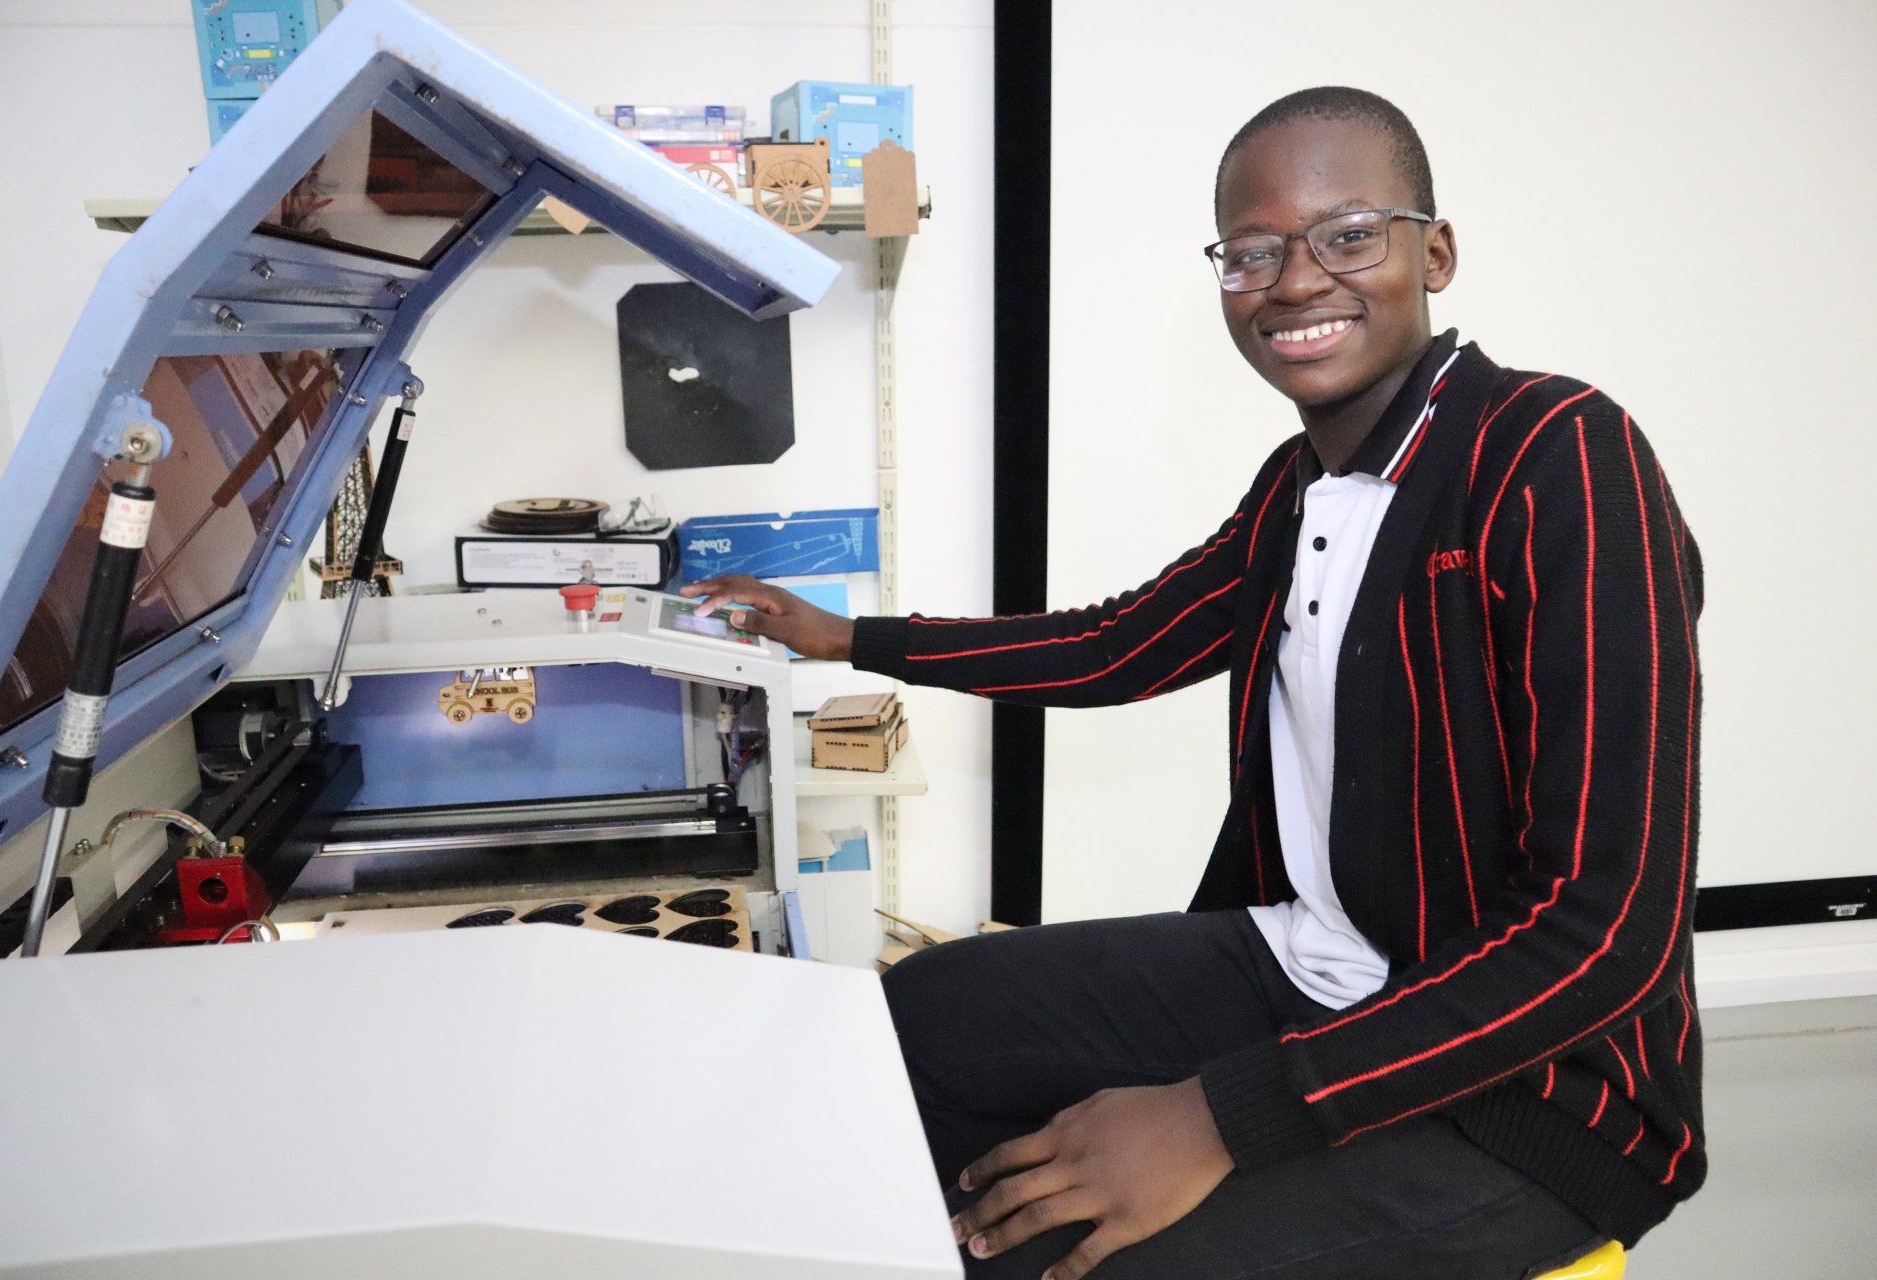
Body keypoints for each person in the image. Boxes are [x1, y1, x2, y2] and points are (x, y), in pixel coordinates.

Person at [683, 86, 1704, 1280]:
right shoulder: (1301, 488)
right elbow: (1122, 643)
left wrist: (1222, 1114)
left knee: (1060, 1254)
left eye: (1349, 234)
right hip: (1314, 966)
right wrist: (853, 637)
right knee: (928, 1014)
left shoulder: (1564, 453)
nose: (1296, 279)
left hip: (1532, 1094)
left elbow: (1606, 938)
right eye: (1253, 251)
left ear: (1436, 252)